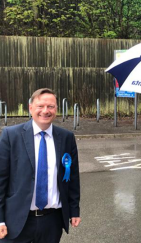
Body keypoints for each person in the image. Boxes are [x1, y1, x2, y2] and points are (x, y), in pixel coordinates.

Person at [0, 88, 81, 243]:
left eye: (50, 106)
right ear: (30, 108)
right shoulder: (11, 135)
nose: (45, 111)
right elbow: (1, 179)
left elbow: (73, 177)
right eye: (40, 106)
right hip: (16, 221)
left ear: (56, 109)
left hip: (52, 221)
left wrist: (74, 210)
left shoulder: (66, 137)